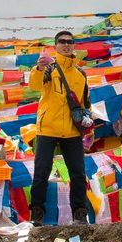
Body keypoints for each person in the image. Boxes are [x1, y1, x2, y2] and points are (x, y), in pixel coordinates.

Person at [28, 31, 91, 226]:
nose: (66, 44)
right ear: (55, 46)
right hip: (47, 128)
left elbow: (85, 102)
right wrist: (39, 68)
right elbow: (34, 85)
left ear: (74, 46)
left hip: (72, 130)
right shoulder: (48, 68)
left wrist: (89, 128)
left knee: (78, 173)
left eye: (69, 42)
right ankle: (36, 215)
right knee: (41, 173)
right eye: (62, 42)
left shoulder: (80, 73)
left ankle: (79, 215)